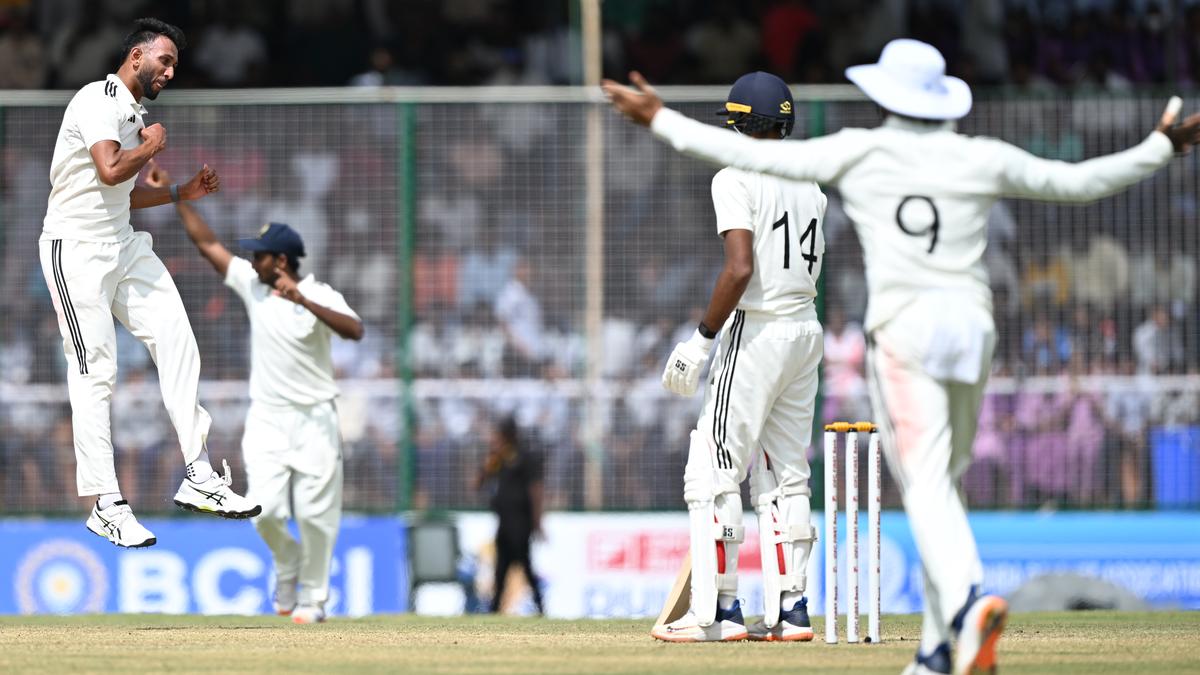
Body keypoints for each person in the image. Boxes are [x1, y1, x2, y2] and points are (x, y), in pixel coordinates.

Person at [603, 38, 1200, 674]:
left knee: (723, 467)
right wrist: (1159, 147)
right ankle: (812, 614)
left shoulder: (858, 153)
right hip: (943, 329)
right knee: (816, 476)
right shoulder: (962, 157)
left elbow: (736, 190)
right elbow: (1076, 183)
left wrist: (659, 118)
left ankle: (724, 612)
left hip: (852, 332)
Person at [40, 17, 259, 550]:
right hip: (76, 250)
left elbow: (122, 193)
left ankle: (199, 474)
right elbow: (111, 169)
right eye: (165, 61)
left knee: (177, 338)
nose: (170, 72)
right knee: (96, 372)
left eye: (175, 65)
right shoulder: (97, 99)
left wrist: (181, 192)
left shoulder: (134, 115)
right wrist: (153, 146)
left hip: (123, 242)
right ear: (136, 57)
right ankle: (106, 504)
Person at [649, 72, 826, 643]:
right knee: (786, 473)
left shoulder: (734, 177)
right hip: (806, 328)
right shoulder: (809, 180)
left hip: (758, 332)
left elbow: (741, 267)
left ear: (742, 123)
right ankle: (792, 611)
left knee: (712, 468)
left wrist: (700, 342)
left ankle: (718, 613)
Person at [146, 162, 364, 624]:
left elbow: (354, 330)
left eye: (260, 255)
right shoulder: (253, 286)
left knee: (317, 517)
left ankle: (313, 600)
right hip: (267, 419)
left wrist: (305, 301)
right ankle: (287, 560)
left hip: (316, 419)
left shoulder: (321, 294)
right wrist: (175, 195)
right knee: (263, 511)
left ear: (281, 261)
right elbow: (208, 245)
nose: (252, 261)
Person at [476, 417, 545, 615]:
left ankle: (539, 606)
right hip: (504, 522)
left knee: (524, 565)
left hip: (521, 523)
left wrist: (537, 522)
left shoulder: (525, 458)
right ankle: (495, 609)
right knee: (501, 568)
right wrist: (488, 464)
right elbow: (478, 483)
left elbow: (535, 490)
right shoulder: (498, 458)